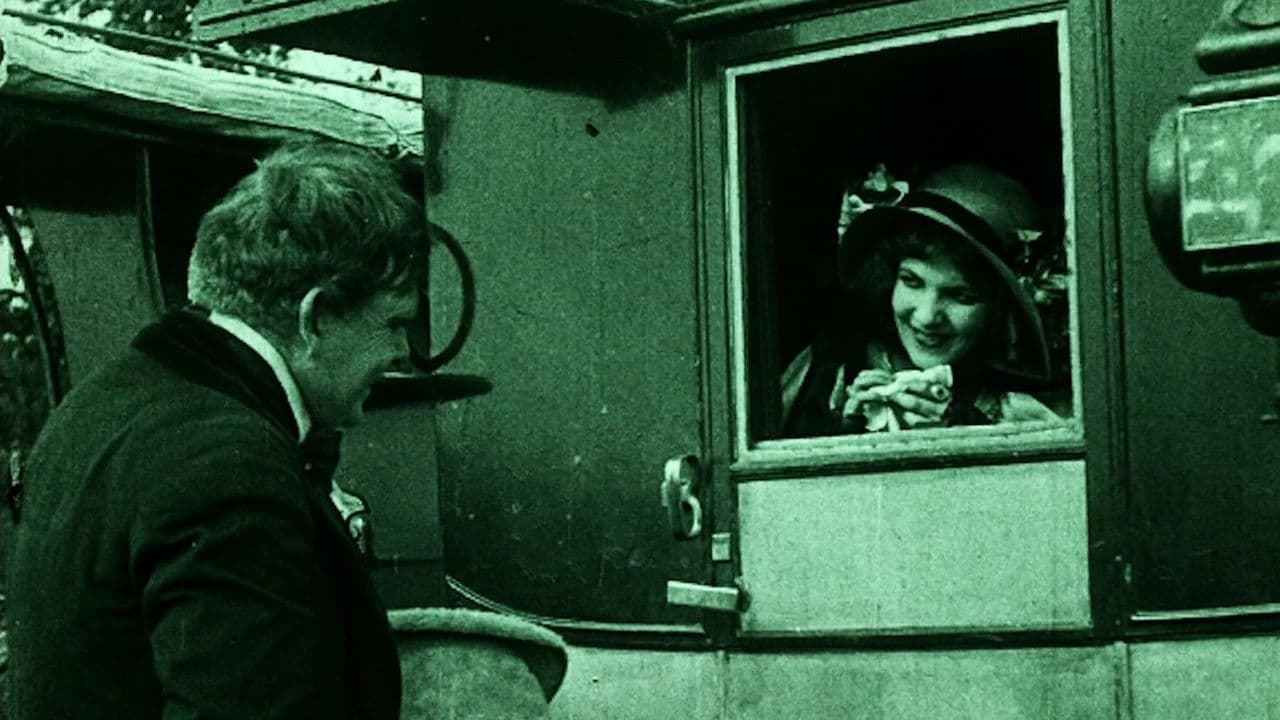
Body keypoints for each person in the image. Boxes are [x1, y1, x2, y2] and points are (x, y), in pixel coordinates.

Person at [4, 141, 425, 719]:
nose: (402, 353)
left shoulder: (100, 405)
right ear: (316, 317)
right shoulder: (230, 464)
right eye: (394, 323)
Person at [781, 163, 1061, 438]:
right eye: (911, 281)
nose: (927, 317)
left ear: (1001, 309)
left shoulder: (1023, 408)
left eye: (960, 296)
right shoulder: (830, 365)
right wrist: (844, 431)